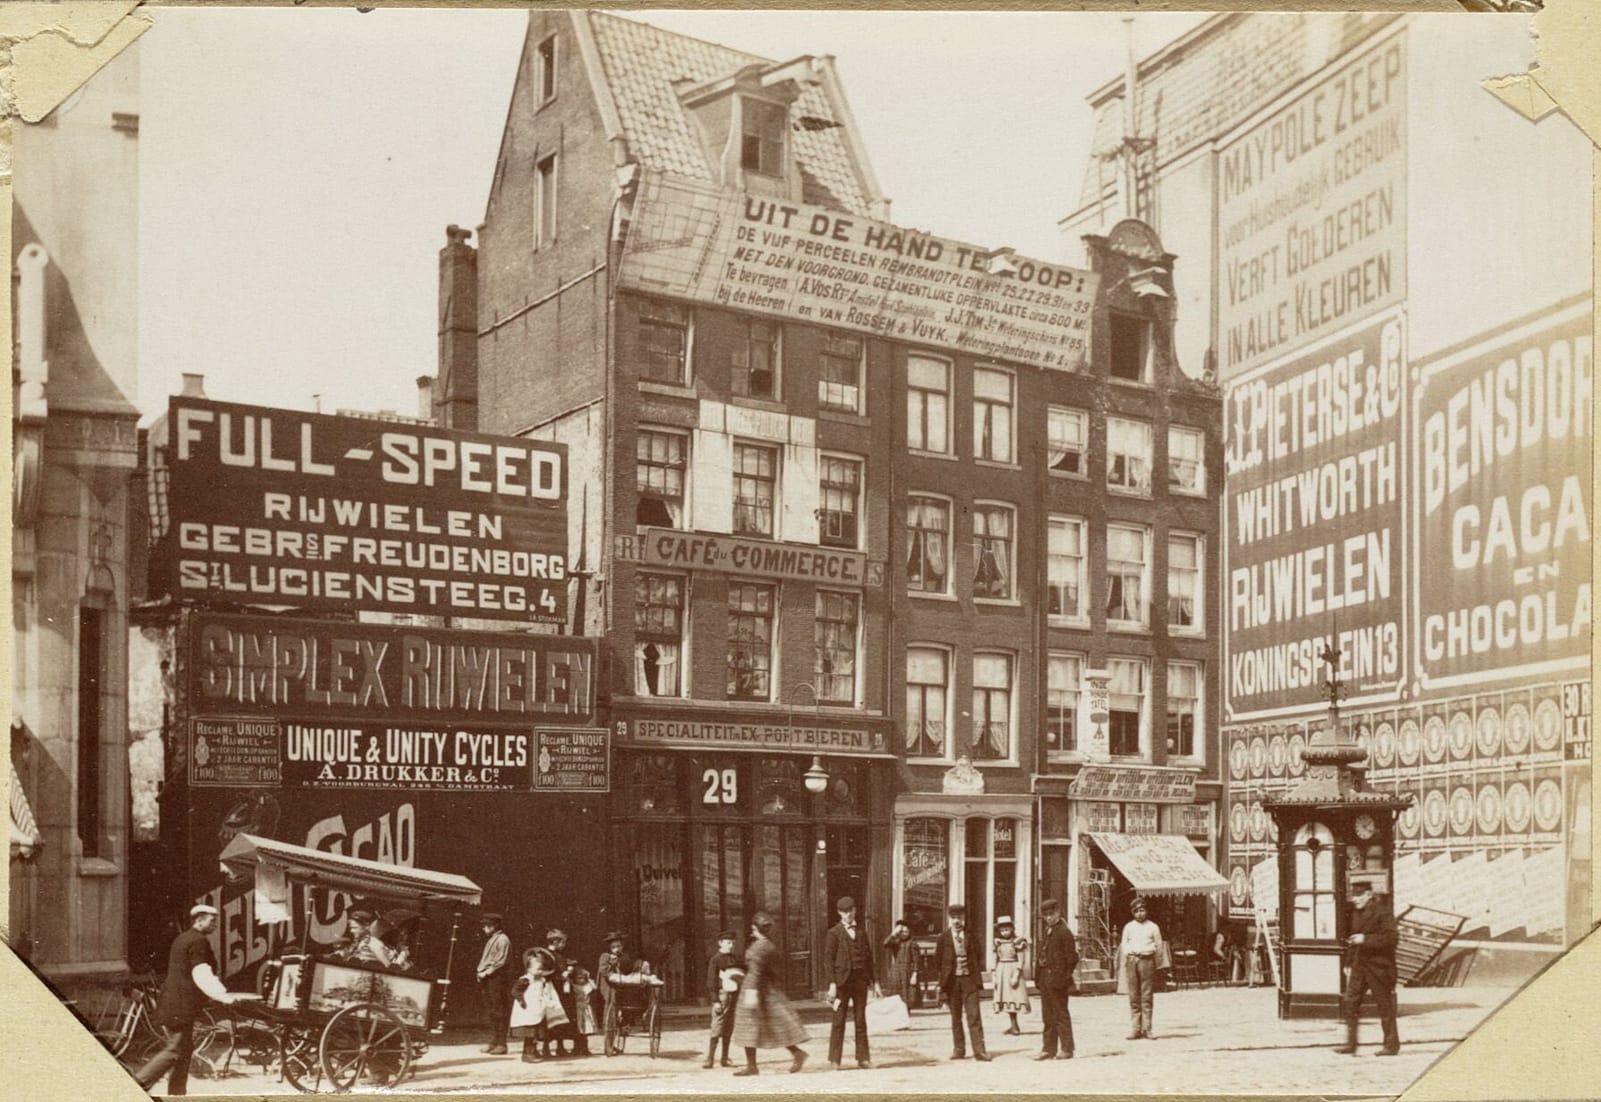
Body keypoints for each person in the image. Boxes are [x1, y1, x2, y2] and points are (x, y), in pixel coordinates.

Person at [135, 904, 259, 1095]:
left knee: (183, 1052)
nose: (215, 924)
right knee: (175, 1050)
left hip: (174, 1002)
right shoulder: (198, 941)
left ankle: (177, 1094)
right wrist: (223, 996)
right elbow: (201, 972)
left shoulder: (183, 938)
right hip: (180, 1005)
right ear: (199, 920)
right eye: (212, 920)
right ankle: (137, 1086)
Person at [729, 911, 808, 1075]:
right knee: (775, 1025)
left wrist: (750, 993)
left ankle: (753, 1066)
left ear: (754, 928)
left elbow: (756, 972)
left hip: (756, 989)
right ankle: (796, 1053)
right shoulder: (768, 944)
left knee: (748, 1026)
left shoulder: (759, 947)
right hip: (766, 989)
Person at [1336, 882, 1401, 1056]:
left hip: (1379, 967)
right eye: (1353, 895)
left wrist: (1365, 939)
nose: (1355, 899)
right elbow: (1352, 940)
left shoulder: (1383, 912)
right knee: (1350, 1003)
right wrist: (1348, 963)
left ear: (1369, 894)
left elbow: (1391, 938)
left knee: (1384, 1006)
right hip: (1359, 966)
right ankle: (1351, 1044)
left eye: (1358, 895)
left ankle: (1391, 1045)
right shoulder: (1357, 913)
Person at [823, 895, 877, 1069]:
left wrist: (874, 982)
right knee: (839, 1021)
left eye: (851, 911)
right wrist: (832, 984)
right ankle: (834, 1060)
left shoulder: (861, 932)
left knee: (861, 1020)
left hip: (860, 982)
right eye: (844, 912)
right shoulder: (834, 933)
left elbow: (869, 958)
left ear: (855, 910)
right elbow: (828, 960)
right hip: (841, 983)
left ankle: (863, 1058)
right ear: (839, 913)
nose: (848, 915)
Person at [934, 903, 991, 1062]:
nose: (957, 921)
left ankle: (979, 1051)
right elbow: (938, 960)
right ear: (948, 918)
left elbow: (978, 955)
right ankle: (959, 1049)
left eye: (959, 917)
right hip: (952, 982)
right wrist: (944, 978)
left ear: (964, 918)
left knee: (974, 1016)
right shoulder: (943, 938)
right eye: (953, 918)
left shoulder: (971, 936)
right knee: (956, 1017)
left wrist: (971, 971)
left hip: (969, 980)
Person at [1032, 898, 1078, 1060]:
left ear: (1058, 913)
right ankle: (1048, 1049)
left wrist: (1063, 977)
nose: (1049, 918)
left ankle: (1067, 1048)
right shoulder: (1048, 931)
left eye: (1051, 914)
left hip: (1057, 979)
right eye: (1046, 915)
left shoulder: (1064, 932)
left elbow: (1072, 958)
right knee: (1048, 1015)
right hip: (1045, 977)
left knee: (1060, 1014)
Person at [510, 947, 570, 1063]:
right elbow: (515, 991)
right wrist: (521, 1000)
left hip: (537, 1010)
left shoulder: (541, 980)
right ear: (528, 969)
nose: (540, 972)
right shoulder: (526, 980)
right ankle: (528, 1054)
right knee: (530, 1034)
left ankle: (534, 1052)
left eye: (541, 969)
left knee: (536, 1034)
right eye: (537, 969)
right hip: (528, 1010)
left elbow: (545, 991)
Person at [1119, 896, 1164, 1040]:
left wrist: (1157, 964)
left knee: (1146, 995)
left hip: (1147, 961)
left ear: (1146, 911)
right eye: (1136, 911)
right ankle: (1135, 1029)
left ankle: (1147, 1029)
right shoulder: (1129, 927)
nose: (1140, 913)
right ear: (1133, 913)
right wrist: (1129, 955)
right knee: (1134, 995)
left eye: (1142, 910)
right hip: (1132, 960)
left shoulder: (1153, 927)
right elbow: (1124, 944)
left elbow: (1159, 946)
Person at [543, 928, 589, 1058]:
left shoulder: (559, 954)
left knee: (562, 1019)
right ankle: (547, 1047)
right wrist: (562, 975)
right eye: (563, 942)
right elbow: (547, 972)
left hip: (562, 990)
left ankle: (560, 1046)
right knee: (552, 1018)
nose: (564, 945)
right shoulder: (547, 955)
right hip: (553, 990)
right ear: (555, 942)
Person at [704, 930, 744, 1068]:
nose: (731, 945)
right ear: (720, 943)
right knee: (717, 1025)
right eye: (728, 943)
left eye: (733, 943)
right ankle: (710, 1058)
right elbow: (711, 980)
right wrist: (715, 1001)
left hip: (734, 995)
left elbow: (742, 974)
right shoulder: (715, 959)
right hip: (722, 995)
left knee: (729, 1026)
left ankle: (724, 1058)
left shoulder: (735, 958)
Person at [476, 912, 513, 1055]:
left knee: (499, 1010)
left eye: (487, 925)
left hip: (497, 979)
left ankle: (502, 1044)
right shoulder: (493, 939)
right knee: (492, 1011)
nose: (484, 928)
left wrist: (485, 972)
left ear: (495, 925)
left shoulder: (503, 940)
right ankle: (493, 1041)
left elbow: (500, 961)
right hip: (488, 978)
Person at [596, 931, 634, 1056]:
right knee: (610, 1014)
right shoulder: (605, 956)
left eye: (618, 946)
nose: (616, 949)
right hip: (608, 986)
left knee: (621, 1012)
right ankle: (609, 1046)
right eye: (613, 947)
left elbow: (628, 969)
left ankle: (623, 1029)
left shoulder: (624, 956)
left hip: (620, 986)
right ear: (609, 948)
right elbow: (604, 971)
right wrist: (612, 962)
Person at [991, 915, 1030, 1035]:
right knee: (1006, 998)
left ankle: (1015, 1026)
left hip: (1013, 969)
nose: (1005, 932)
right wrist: (994, 973)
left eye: (1007, 929)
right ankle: (1013, 1025)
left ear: (1012, 929)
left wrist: (1016, 975)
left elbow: (1021, 959)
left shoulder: (1017, 942)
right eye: (1002, 930)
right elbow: (994, 958)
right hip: (1002, 969)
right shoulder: (998, 942)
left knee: (1014, 997)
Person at [880, 917, 916, 1009]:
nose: (904, 934)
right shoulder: (896, 943)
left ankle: (907, 1014)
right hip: (897, 972)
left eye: (906, 932)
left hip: (908, 972)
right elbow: (885, 943)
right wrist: (893, 933)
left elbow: (916, 961)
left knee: (907, 997)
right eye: (901, 932)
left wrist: (914, 975)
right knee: (896, 997)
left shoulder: (912, 943)